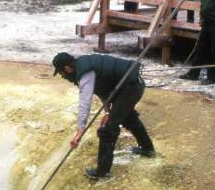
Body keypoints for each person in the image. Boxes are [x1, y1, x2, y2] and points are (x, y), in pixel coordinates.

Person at [52, 52, 154, 180]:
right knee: (128, 117)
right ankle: (147, 148)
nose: (62, 76)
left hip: (131, 86)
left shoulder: (85, 73)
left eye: (61, 72)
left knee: (108, 128)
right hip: (127, 85)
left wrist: (80, 130)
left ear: (67, 68)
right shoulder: (83, 65)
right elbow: (102, 90)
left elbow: (85, 102)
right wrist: (107, 111)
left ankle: (102, 171)